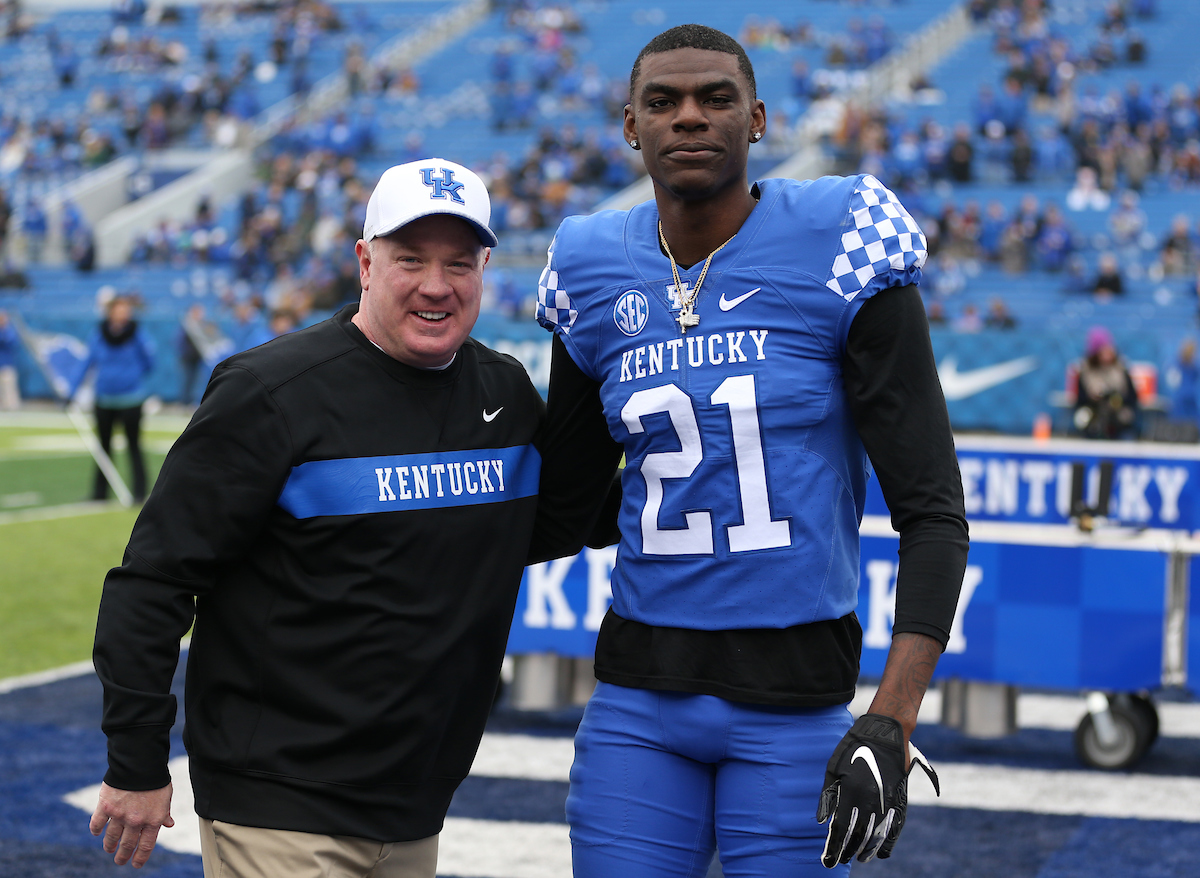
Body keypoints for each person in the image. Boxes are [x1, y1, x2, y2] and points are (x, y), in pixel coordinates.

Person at [87, 159, 617, 877]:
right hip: (277, 803)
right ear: (365, 262)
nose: (437, 284)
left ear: (486, 268)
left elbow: (545, 523)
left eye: (459, 262)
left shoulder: (502, 390)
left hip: (416, 801)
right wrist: (136, 761)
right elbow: (151, 582)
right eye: (411, 259)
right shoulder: (271, 392)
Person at [535, 24, 968, 877]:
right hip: (635, 700)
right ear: (630, 126)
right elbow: (566, 505)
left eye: (715, 98)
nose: (688, 118)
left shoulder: (839, 236)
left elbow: (932, 512)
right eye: (663, 102)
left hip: (798, 701)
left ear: (758, 119)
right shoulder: (589, 266)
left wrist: (891, 718)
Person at [72, 296, 156, 501]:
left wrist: (131, 377)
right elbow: (87, 362)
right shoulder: (98, 334)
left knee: (134, 447)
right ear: (110, 312)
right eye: (118, 309)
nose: (122, 313)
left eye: (125, 309)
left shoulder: (138, 334)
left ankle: (139, 492)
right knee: (104, 448)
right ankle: (100, 493)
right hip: (104, 399)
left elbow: (150, 361)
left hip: (131, 399)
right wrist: (71, 390)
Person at [1074, 326, 1138, 439]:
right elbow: (1080, 400)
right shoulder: (1086, 371)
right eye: (1102, 350)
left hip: (1117, 412)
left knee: (1123, 418)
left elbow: (1133, 397)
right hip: (1094, 411)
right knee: (1086, 419)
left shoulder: (1121, 369)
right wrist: (1094, 398)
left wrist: (1117, 398)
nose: (1107, 353)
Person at [0, 309, 19, 410]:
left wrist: (3, 330)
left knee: (9, 389)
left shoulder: (9, 331)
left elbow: (10, 341)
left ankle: (12, 410)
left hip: (6, 365)